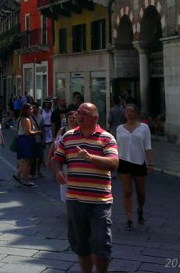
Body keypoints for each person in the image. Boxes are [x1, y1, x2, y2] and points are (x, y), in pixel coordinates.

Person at [50, 103, 119, 273]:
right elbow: (55, 159)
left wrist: (90, 158)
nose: (79, 116)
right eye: (78, 113)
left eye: (84, 113)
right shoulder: (68, 137)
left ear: (95, 117)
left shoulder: (107, 138)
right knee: (81, 244)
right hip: (75, 200)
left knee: (100, 243)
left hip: (99, 201)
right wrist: (58, 172)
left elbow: (114, 163)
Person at [115, 103, 153, 231]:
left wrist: (150, 163)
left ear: (136, 113)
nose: (129, 113)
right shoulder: (119, 128)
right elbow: (117, 147)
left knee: (141, 193)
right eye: (127, 111)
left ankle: (140, 209)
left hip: (139, 162)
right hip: (123, 161)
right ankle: (129, 219)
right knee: (127, 192)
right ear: (125, 113)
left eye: (132, 111)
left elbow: (148, 146)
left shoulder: (144, 128)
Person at [49, 109, 78, 202]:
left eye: (74, 118)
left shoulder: (80, 129)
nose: (72, 120)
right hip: (65, 160)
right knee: (65, 183)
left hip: (77, 161)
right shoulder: (62, 130)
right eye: (70, 118)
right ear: (67, 119)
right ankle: (67, 202)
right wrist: (49, 156)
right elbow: (55, 143)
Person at [13, 103, 40, 187]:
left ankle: (18, 175)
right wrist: (38, 132)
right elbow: (28, 132)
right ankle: (25, 180)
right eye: (31, 109)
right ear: (26, 110)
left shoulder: (21, 118)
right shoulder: (26, 120)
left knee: (26, 161)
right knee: (27, 162)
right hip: (26, 140)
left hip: (22, 140)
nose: (32, 110)